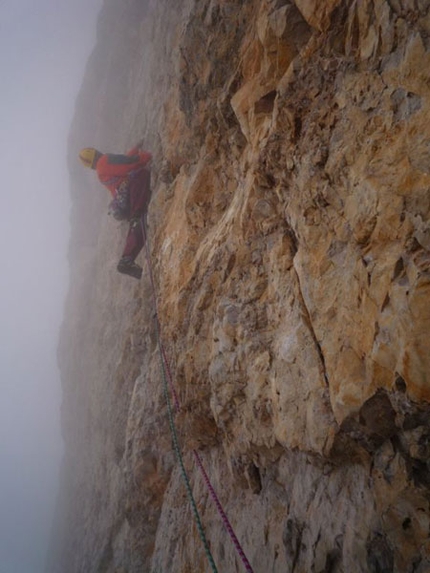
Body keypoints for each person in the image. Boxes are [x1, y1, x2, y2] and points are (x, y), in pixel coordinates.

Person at [79, 142, 152, 279]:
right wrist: (146, 156)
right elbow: (129, 164)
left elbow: (120, 163)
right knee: (141, 175)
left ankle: (127, 258)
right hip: (132, 192)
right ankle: (126, 258)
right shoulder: (104, 160)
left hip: (125, 200)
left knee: (139, 223)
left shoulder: (101, 170)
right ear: (96, 151)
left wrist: (134, 150)